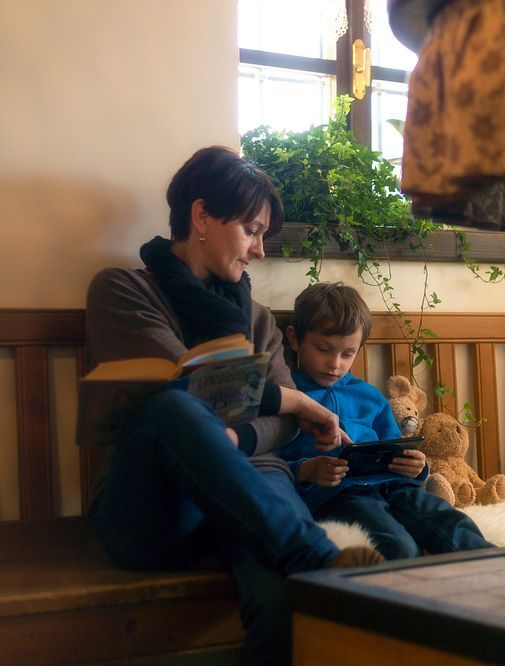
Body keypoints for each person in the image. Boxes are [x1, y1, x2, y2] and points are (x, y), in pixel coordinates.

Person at [85, 146, 381, 665]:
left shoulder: (259, 319)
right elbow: (188, 394)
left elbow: (287, 427)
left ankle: (304, 560)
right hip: (156, 507)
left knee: (278, 599)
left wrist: (237, 436)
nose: (260, 250)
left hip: (254, 487)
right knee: (174, 409)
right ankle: (311, 553)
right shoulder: (123, 291)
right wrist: (287, 398)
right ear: (201, 216)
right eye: (252, 229)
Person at [279, 282, 500, 559]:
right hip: (341, 497)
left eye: (348, 353)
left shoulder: (369, 396)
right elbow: (268, 465)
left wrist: (417, 467)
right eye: (323, 349)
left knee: (450, 522)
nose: (335, 363)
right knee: (399, 546)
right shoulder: (287, 398)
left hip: (394, 487)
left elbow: (397, 448)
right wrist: (306, 471)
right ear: (295, 338)